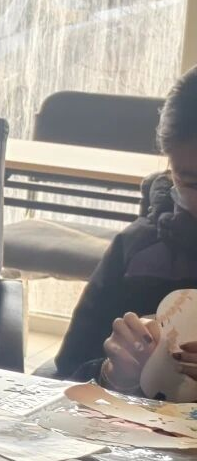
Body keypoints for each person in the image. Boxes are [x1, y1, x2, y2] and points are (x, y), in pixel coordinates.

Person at [53, 67, 197, 393]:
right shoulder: (138, 253)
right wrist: (110, 374)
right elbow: (65, 375)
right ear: (170, 168)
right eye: (192, 183)